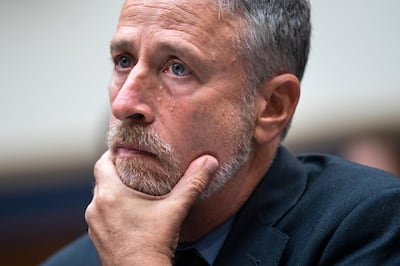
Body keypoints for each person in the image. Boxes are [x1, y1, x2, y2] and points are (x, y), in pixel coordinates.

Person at [42, 0, 400, 265]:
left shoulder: (369, 225)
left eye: (177, 68)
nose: (124, 104)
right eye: (124, 61)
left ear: (272, 106)